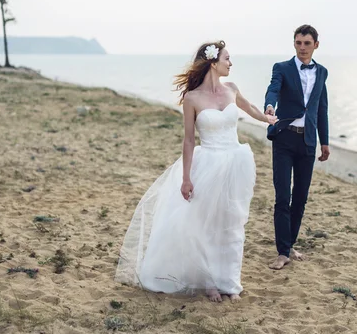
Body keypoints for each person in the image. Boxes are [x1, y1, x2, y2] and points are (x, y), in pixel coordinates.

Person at [115, 40, 277, 302]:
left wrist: (267, 118)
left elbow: (251, 109)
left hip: (236, 161)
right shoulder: (192, 99)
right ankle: (210, 282)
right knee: (205, 225)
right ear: (213, 62)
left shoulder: (232, 89)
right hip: (208, 164)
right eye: (227, 59)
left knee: (232, 223)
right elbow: (189, 140)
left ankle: (230, 283)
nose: (230, 63)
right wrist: (186, 177)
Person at [264, 24, 330, 270]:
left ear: (315, 45)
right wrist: (270, 106)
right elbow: (272, 89)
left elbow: (321, 108)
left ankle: (290, 244)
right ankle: (282, 252)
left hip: (307, 142)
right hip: (284, 139)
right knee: (283, 197)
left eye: (307, 43)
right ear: (294, 43)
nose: (302, 47)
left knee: (300, 197)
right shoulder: (281, 68)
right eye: (298, 43)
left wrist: (325, 141)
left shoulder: (322, 72)